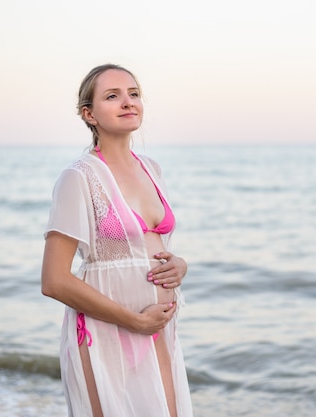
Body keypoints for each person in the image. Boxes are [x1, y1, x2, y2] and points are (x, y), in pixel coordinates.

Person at [41, 64, 193, 417]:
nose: (128, 102)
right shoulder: (78, 178)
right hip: (106, 330)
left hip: (159, 330)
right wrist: (132, 320)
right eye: (113, 96)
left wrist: (179, 265)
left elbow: (146, 247)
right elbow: (54, 280)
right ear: (89, 114)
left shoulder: (152, 168)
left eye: (134, 93)